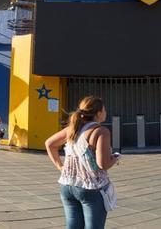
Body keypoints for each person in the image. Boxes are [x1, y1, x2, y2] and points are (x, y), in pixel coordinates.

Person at [46, 96, 119, 229]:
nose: (106, 112)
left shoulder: (72, 129)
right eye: (104, 109)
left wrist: (60, 166)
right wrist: (115, 158)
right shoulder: (100, 131)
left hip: (67, 185)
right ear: (98, 113)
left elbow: (49, 144)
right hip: (91, 187)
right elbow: (103, 164)